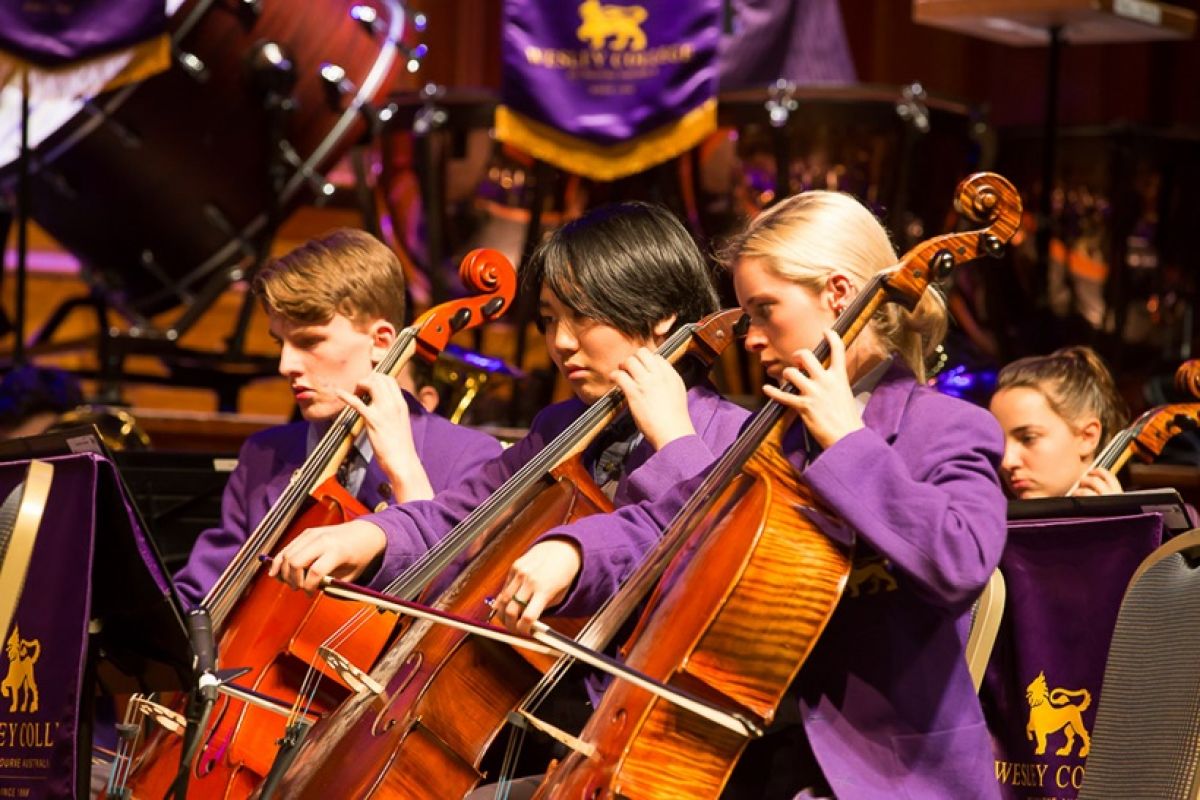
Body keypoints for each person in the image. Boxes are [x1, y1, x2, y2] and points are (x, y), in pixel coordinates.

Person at [489, 190, 1008, 799]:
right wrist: (572, 551)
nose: (749, 336)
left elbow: (961, 561)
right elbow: (669, 529)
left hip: (879, 774)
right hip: (747, 757)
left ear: (838, 295)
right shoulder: (769, 436)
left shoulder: (944, 426)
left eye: (764, 310)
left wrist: (845, 440)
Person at [270, 201, 749, 598]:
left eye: (581, 315)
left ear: (661, 314)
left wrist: (673, 441)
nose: (560, 342)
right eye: (548, 319)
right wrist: (373, 534)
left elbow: (725, 560)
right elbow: (458, 518)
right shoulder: (558, 429)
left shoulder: (735, 434)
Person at [172, 228, 503, 608]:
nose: (286, 365)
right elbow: (201, 596)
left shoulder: (470, 458)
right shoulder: (264, 454)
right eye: (281, 343)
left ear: (381, 342)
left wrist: (404, 471)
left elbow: (451, 609)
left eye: (310, 342)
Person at [988, 345, 1129, 499]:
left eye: (1028, 438)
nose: (1007, 462)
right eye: (1000, 443)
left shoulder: (1153, 521)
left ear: (1087, 437)